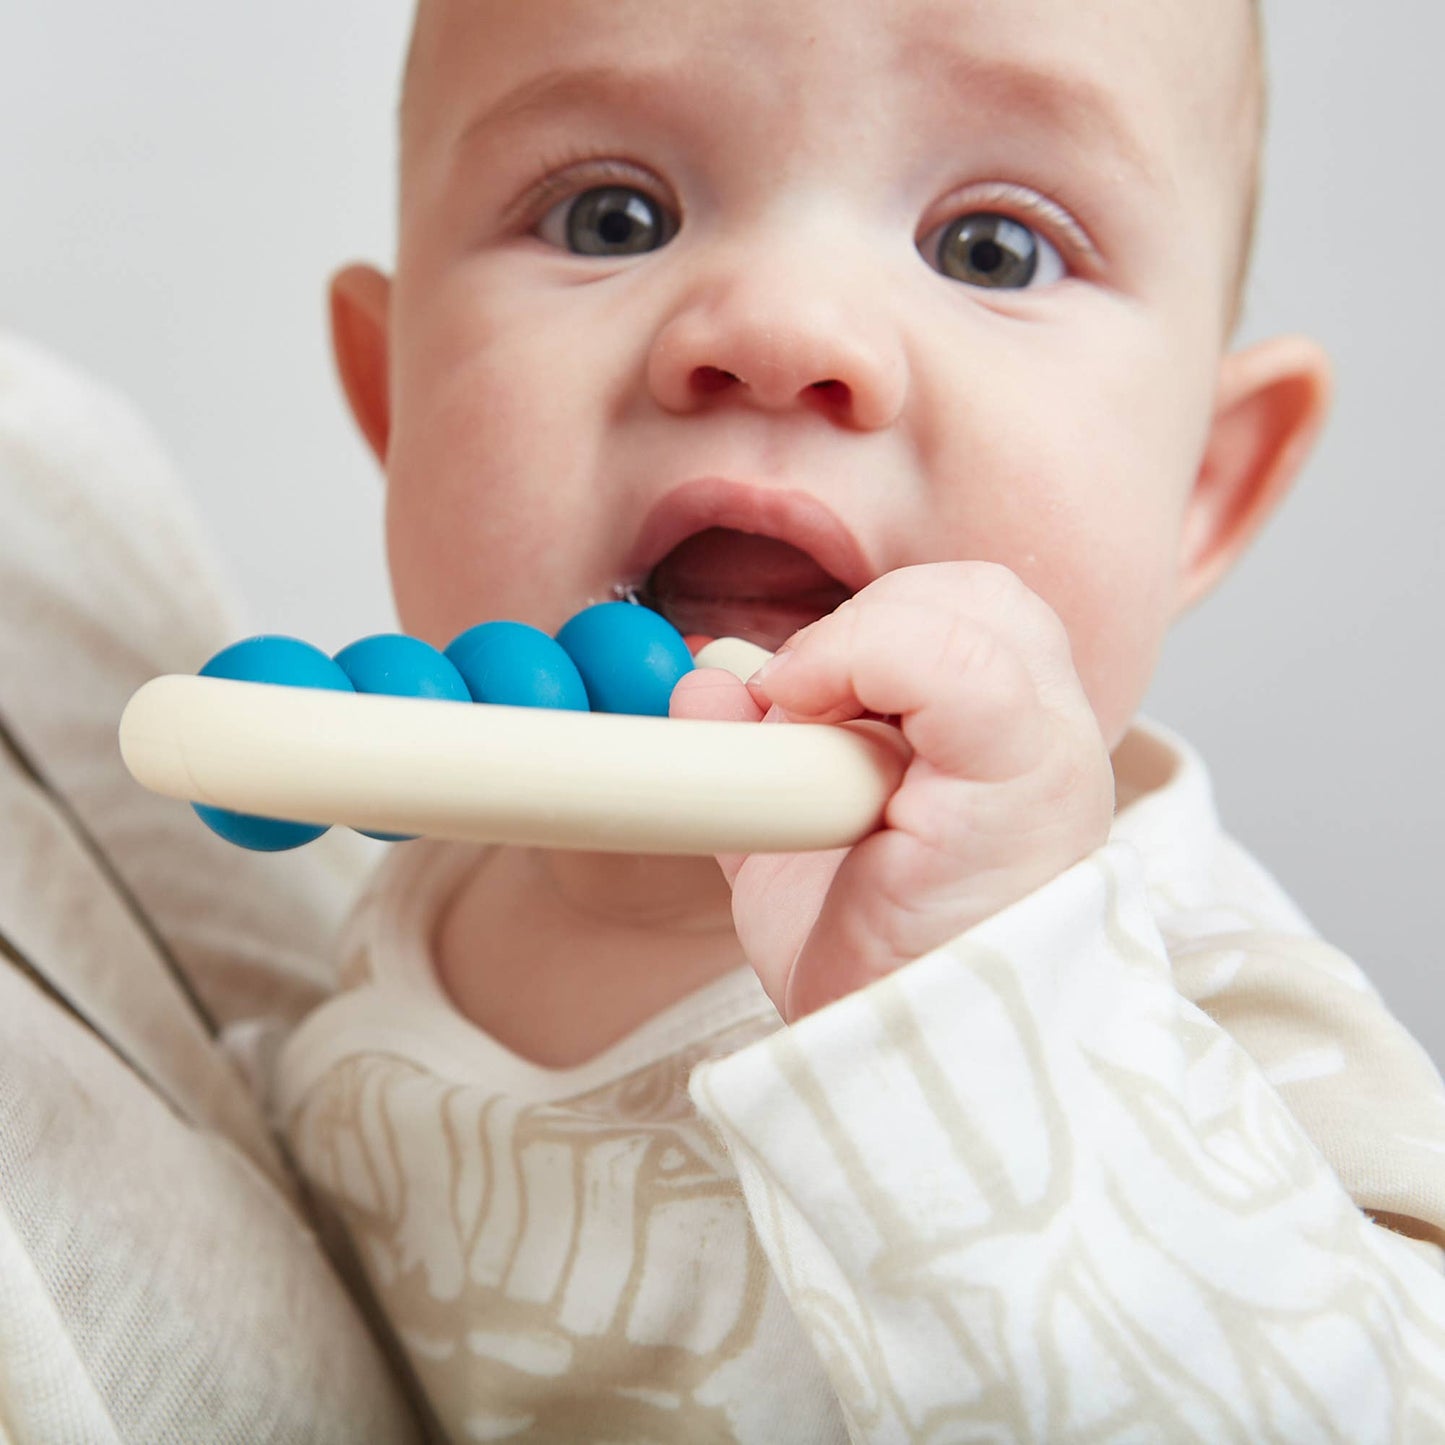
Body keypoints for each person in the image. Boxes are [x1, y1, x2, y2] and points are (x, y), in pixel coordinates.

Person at [270, 0, 1445, 1439]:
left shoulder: (1191, 978)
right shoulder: (403, 885)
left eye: (987, 248)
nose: (776, 328)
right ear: (394, 398)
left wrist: (972, 1006)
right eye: (610, 216)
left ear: (1199, 486)